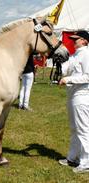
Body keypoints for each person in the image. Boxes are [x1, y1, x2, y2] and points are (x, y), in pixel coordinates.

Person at [58, 30, 89, 173]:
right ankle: (72, 157)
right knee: (74, 128)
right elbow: (66, 70)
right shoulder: (75, 54)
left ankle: (86, 162)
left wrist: (68, 79)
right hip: (72, 94)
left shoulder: (86, 54)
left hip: (82, 95)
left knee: (83, 129)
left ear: (84, 41)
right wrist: (59, 62)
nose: (73, 41)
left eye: (76, 39)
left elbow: (87, 77)